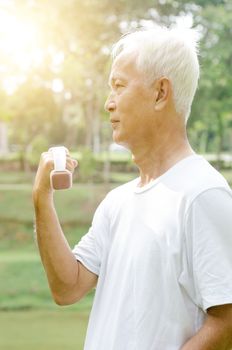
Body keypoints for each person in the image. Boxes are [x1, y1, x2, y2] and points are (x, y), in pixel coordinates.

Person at [33, 26, 232, 350]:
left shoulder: (204, 195)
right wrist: (42, 199)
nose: (109, 103)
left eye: (119, 86)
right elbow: (67, 287)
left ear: (160, 93)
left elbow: (227, 322)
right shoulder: (117, 202)